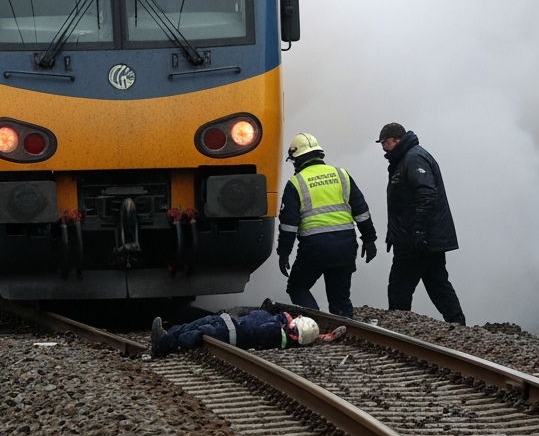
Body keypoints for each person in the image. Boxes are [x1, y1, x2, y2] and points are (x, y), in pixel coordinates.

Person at [276, 133, 377, 319]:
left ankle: (317, 324)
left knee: (297, 288)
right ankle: (347, 333)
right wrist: (369, 240)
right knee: (340, 300)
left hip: (315, 248)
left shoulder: (296, 183)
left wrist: (283, 253)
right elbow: (362, 212)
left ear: (296, 159)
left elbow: (289, 225)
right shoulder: (341, 175)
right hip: (346, 245)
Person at [377, 122, 464, 324]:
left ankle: (398, 329)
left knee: (399, 286)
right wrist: (393, 233)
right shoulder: (407, 158)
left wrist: (418, 231)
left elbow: (426, 194)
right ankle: (458, 325)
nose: (383, 147)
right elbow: (402, 203)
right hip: (423, 238)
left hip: (415, 241)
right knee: (437, 283)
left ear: (396, 140)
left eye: (385, 142)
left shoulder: (413, 158)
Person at [149, 309, 340, 357]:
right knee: (194, 325)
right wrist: (323, 337)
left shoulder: (273, 332)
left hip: (226, 330)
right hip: (226, 322)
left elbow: (263, 324)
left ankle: (166, 345)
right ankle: (166, 337)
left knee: (197, 332)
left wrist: (281, 319)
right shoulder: (282, 331)